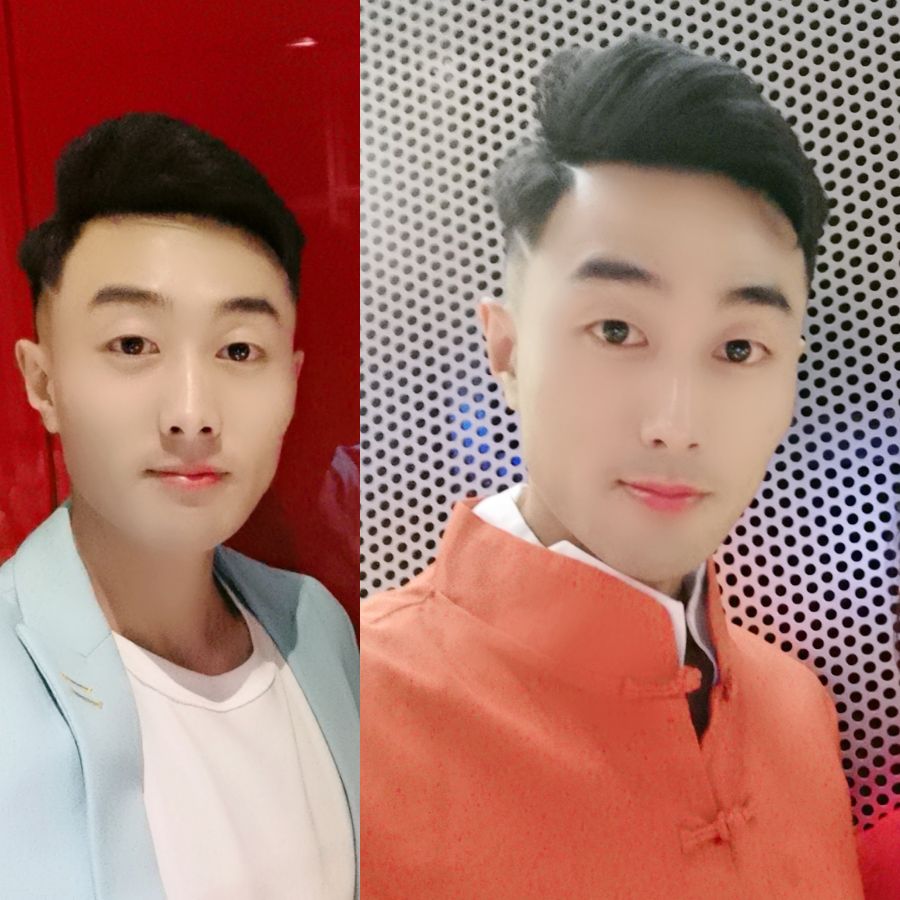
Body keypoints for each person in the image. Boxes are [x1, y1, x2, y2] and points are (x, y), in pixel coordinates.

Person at [362, 36, 863, 898]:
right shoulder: (349, 712)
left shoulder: (798, 709)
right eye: (618, 330)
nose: (675, 424)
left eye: (739, 348)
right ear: (506, 349)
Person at [1, 113, 359, 899]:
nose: (192, 414)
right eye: (133, 344)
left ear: (291, 382)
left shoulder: (320, 632)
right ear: (43, 382)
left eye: (239, 350)